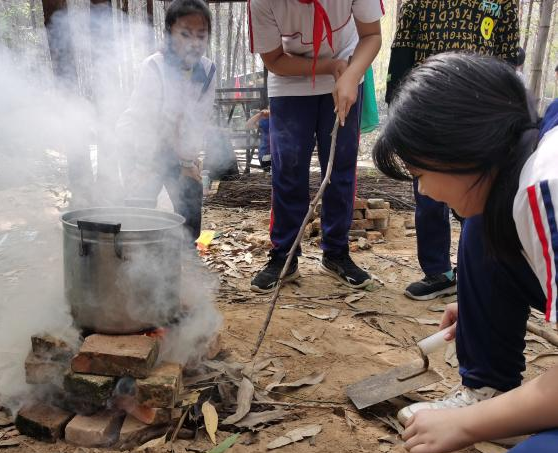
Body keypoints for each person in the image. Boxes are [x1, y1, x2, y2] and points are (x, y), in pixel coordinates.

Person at [373, 52, 558, 453]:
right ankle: (490, 392)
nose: (422, 191)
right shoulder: (527, 146)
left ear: (459, 152)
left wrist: (466, 425)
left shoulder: (546, 187)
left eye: (419, 174)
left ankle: (495, 412)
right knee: (483, 222)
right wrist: (483, 308)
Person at [385, 0, 520, 301]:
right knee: (430, 195)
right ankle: (439, 272)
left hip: (480, 111)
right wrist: (398, 107)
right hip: (427, 107)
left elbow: (508, 59)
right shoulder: (417, 3)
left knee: (480, 196)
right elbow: (403, 52)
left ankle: (480, 272)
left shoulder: (503, 2)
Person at [247, 0, 383, 293]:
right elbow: (274, 60)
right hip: (290, 78)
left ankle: (336, 252)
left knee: (340, 166)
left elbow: (371, 35)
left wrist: (349, 74)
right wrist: (328, 66)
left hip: (347, 68)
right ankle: (284, 254)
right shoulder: (262, 2)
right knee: (288, 168)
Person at [116, 0, 216, 244]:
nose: (194, 43)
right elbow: (147, 123)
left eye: (201, 35)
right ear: (169, 33)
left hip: (178, 148)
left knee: (190, 200)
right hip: (140, 146)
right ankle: (136, 266)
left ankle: (186, 260)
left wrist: (188, 161)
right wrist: (142, 167)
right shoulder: (154, 67)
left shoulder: (208, 70)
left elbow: (198, 120)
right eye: (185, 34)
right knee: (140, 213)